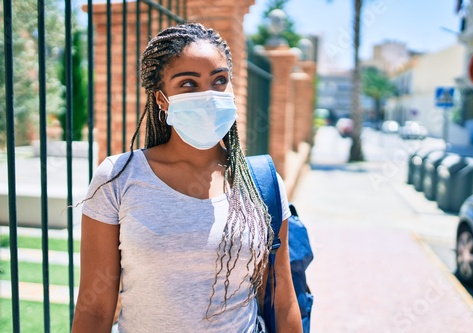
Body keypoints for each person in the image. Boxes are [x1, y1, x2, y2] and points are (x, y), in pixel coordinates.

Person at [71, 22, 302, 333]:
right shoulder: (118, 179)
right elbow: (96, 309)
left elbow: (282, 299)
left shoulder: (261, 182)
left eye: (219, 80)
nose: (208, 96)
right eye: (189, 84)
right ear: (162, 99)